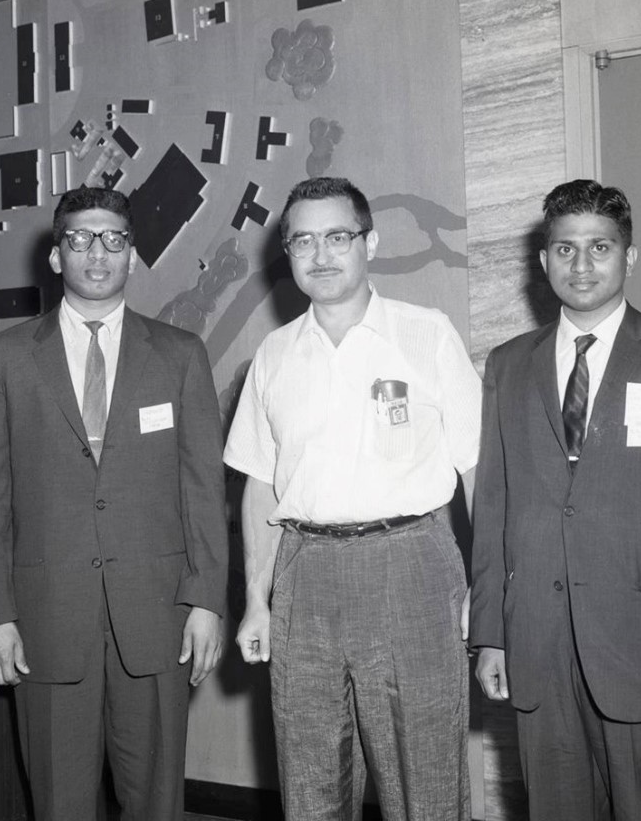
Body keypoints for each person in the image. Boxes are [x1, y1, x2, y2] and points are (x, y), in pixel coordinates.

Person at [470, 179, 641, 821]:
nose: (582, 265)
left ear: (630, 256)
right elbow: (495, 507)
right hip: (539, 644)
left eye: (600, 247)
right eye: (564, 250)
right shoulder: (509, 364)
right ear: (542, 262)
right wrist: (491, 633)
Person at [0, 185, 227, 821]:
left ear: (132, 255)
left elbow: (203, 491)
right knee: (59, 804)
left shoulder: (180, 356)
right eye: (79, 239)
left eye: (113, 239)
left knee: (156, 804)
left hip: (159, 617)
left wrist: (207, 601)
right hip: (46, 621)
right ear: (56, 257)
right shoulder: (4, 360)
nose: (97, 253)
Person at [225, 176, 481, 821]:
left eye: (338, 236)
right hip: (305, 576)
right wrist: (257, 602)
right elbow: (260, 484)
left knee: (424, 784)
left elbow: (478, 469)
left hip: (413, 566)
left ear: (371, 241)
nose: (322, 254)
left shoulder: (427, 334)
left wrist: (484, 588)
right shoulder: (274, 355)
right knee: (311, 783)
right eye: (303, 241)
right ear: (286, 254)